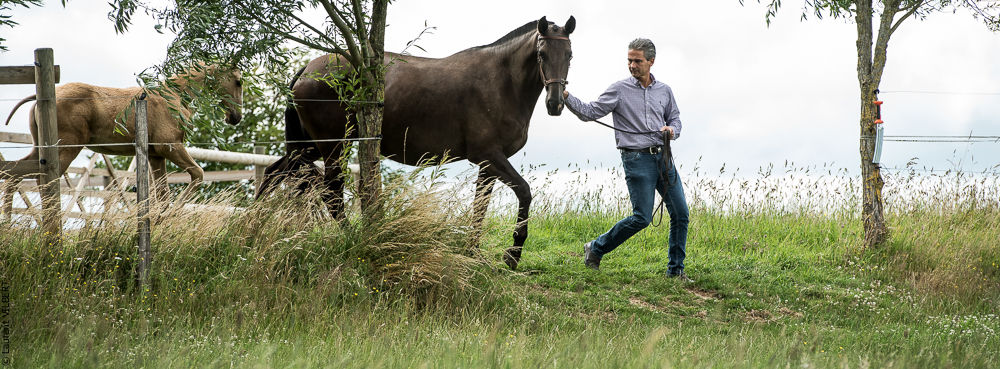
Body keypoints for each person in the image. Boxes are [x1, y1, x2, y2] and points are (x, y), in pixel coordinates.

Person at [562, 38, 691, 282]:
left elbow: (676, 119)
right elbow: (589, 112)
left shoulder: (665, 90)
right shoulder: (619, 89)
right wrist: (565, 95)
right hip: (636, 160)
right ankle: (596, 248)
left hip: (663, 159)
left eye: (637, 61)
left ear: (651, 61)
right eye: (629, 60)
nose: (632, 65)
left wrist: (672, 131)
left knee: (681, 213)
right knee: (641, 217)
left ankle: (676, 272)